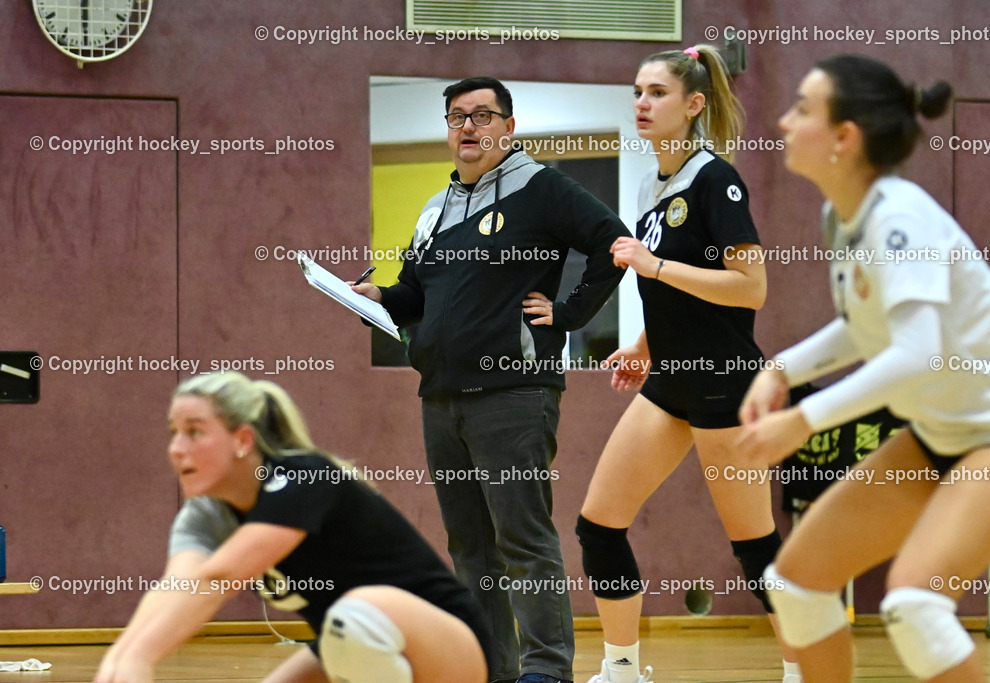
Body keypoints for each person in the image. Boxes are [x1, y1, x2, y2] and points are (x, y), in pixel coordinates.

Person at [737, 54, 990, 682]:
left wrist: (804, 420)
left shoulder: (899, 216)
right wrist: (781, 371)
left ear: (845, 136)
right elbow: (869, 328)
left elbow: (916, 355)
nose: (783, 121)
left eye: (802, 109)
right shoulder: (846, 217)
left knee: (916, 605)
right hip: (938, 435)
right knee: (796, 583)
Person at [353, 76, 630, 683]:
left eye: (483, 115)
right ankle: (489, 668)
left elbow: (615, 245)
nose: (469, 127)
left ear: (509, 126)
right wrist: (380, 297)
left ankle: (546, 670)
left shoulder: (541, 187)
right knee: (470, 548)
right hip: (441, 398)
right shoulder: (435, 209)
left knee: (523, 540)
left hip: (514, 395)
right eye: (457, 117)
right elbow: (416, 293)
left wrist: (569, 314)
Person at [576, 45, 800, 683]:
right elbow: (677, 295)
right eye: (637, 92)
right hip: (670, 382)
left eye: (657, 93)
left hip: (725, 384)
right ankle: (622, 670)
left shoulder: (714, 179)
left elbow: (750, 288)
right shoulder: (653, 184)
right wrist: (642, 347)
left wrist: (654, 266)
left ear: (694, 104)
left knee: (755, 548)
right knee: (598, 526)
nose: (642, 103)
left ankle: (803, 669)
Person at [94, 372, 493, 683]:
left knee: (357, 612)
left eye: (195, 432)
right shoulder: (206, 515)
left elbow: (219, 577)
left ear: (242, 440)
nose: (177, 449)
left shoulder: (303, 477)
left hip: (450, 645)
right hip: (349, 644)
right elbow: (178, 586)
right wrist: (119, 661)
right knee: (347, 625)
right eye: (173, 432)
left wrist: (141, 656)